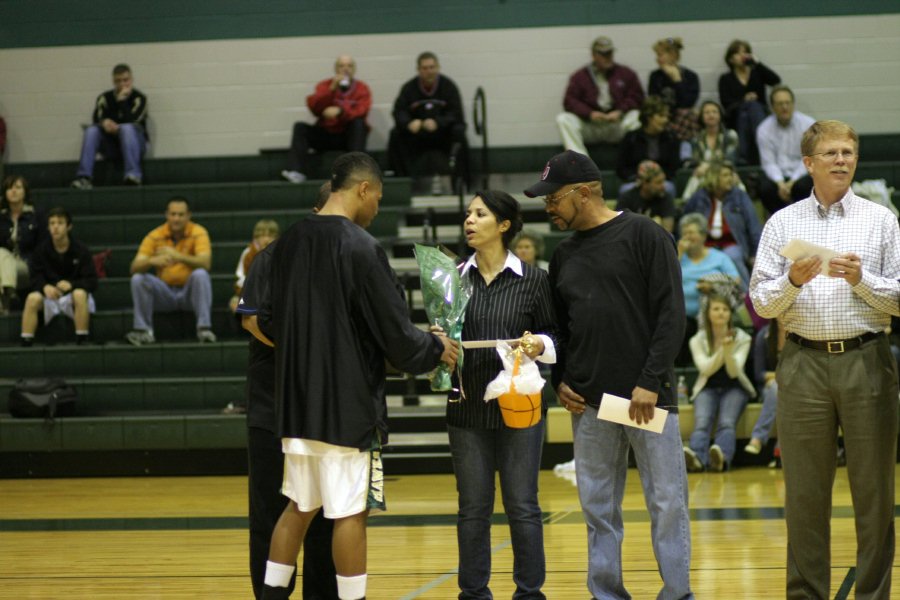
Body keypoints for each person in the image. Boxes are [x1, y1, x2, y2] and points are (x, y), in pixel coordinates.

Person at [261, 152, 459, 600]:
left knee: (298, 506)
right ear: (364, 189)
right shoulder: (361, 247)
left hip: (295, 404)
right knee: (351, 513)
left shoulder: (288, 241)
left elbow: (269, 321)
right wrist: (435, 346)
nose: (377, 209)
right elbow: (397, 337)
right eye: (379, 198)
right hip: (346, 408)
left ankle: (271, 596)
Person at [524, 150, 692, 599]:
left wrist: (650, 381)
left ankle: (677, 594)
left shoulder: (645, 235)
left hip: (647, 400)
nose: (548, 208)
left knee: (667, 504)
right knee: (597, 508)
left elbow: (671, 317)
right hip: (590, 405)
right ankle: (606, 594)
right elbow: (558, 329)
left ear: (583, 192)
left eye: (553, 198)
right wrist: (559, 379)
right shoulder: (563, 256)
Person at [750, 120, 900, 599]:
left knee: (874, 494)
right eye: (831, 153)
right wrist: (791, 280)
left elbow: (897, 300)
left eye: (848, 152)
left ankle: (873, 595)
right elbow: (760, 304)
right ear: (808, 162)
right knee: (804, 495)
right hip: (802, 363)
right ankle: (806, 594)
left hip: (867, 359)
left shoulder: (881, 220)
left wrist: (862, 281)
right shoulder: (782, 223)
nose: (841, 160)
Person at [445, 190, 557, 599]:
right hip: (466, 408)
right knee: (472, 508)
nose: (469, 221)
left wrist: (538, 345)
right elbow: (441, 337)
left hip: (520, 408)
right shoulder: (453, 278)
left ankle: (530, 592)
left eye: (480, 214)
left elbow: (554, 336)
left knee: (522, 505)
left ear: (504, 225)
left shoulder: (534, 279)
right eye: (468, 215)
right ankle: (473, 593)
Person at [237, 183, 338, 600]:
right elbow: (250, 320)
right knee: (270, 509)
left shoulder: (348, 256)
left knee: (326, 511)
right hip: (273, 404)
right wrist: (302, 351)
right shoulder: (274, 255)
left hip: (326, 407)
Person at [126, 197, 215, 346]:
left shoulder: (198, 232)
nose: (176, 219)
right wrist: (150, 261)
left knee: (201, 274)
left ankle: (204, 329)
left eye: (180, 215)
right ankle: (143, 331)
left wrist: (177, 256)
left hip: (189, 293)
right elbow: (134, 267)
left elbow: (206, 263)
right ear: (166, 215)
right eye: (173, 214)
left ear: (188, 215)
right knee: (138, 279)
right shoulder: (155, 235)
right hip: (164, 293)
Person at [683, 295, 755, 473]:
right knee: (702, 422)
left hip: (735, 387)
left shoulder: (742, 338)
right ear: (708, 314)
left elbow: (733, 371)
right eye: (716, 309)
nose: (721, 313)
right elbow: (706, 370)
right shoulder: (697, 339)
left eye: (725, 309)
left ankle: (721, 458)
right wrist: (723, 349)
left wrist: (728, 350)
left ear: (730, 314)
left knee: (727, 422)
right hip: (707, 387)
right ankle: (697, 458)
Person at [281, 55, 372, 184]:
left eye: (349, 66)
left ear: (354, 69)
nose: (345, 69)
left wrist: (341, 112)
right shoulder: (325, 85)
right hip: (326, 133)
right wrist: (331, 89)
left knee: (359, 124)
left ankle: (356, 173)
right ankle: (295, 171)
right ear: (336, 69)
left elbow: (362, 110)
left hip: (347, 136)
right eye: (341, 66)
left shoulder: (362, 88)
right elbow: (314, 107)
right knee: (300, 127)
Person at [388, 52, 467, 190]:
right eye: (425, 68)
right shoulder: (409, 88)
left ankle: (461, 183)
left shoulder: (448, 86)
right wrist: (409, 123)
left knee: (460, 133)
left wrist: (438, 122)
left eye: (432, 67)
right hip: (418, 135)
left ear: (438, 68)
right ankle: (404, 183)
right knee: (395, 135)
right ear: (418, 70)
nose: (429, 71)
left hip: (442, 134)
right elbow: (398, 111)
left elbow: (456, 113)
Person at [20, 207, 97, 346]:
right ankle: (26, 340)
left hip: (72, 297)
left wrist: (72, 285)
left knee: (80, 294)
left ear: (69, 226)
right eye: (52, 223)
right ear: (48, 227)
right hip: (50, 297)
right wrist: (44, 287)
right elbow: (34, 278)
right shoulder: (41, 250)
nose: (55, 227)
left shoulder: (81, 250)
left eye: (60, 223)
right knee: (32, 298)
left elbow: (92, 281)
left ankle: (82, 338)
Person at [556, 36, 644, 154]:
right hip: (592, 125)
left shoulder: (626, 73)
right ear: (593, 55)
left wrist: (620, 111)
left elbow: (637, 97)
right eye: (603, 54)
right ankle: (581, 164)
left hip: (616, 124)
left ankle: (633, 159)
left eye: (610, 53)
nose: (607, 57)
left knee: (637, 116)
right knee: (563, 119)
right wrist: (589, 113)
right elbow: (569, 101)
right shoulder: (580, 76)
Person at [71, 64, 148, 189]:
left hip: (135, 144)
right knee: (91, 131)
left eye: (125, 80)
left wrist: (122, 101)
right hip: (111, 145)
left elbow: (133, 120)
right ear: (113, 81)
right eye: (118, 81)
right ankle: (84, 177)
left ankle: (133, 175)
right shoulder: (104, 98)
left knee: (127, 128)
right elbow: (97, 118)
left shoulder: (140, 98)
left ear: (131, 80)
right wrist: (104, 123)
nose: (122, 84)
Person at [684, 160, 762, 285]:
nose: (730, 179)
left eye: (731, 175)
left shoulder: (740, 196)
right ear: (713, 177)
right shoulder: (699, 197)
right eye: (725, 175)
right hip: (705, 244)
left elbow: (753, 226)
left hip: (731, 243)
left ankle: (745, 297)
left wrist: (755, 254)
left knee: (733, 257)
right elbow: (686, 220)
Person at [717, 40, 781, 165]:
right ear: (730, 59)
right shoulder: (725, 79)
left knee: (753, 107)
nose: (743, 55)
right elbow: (726, 103)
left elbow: (775, 80)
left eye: (745, 52)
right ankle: (763, 149)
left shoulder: (757, 73)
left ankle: (743, 157)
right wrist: (743, 101)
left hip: (760, 113)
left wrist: (757, 63)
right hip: (736, 117)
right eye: (738, 53)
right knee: (746, 111)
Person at [756, 85, 815, 215]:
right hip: (778, 176)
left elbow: (808, 158)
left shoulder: (808, 124)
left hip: (801, 174)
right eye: (780, 104)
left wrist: (792, 182)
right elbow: (768, 163)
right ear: (772, 107)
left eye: (788, 103)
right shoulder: (764, 129)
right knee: (765, 189)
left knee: (804, 186)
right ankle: (779, 222)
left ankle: (804, 221)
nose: (784, 107)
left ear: (793, 104)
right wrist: (781, 183)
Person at [616, 96, 681, 195]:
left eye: (667, 116)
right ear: (649, 117)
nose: (665, 120)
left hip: (662, 182)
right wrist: (638, 178)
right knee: (625, 190)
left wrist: (657, 179)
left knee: (669, 188)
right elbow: (621, 167)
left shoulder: (671, 138)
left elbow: (674, 167)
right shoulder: (631, 138)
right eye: (661, 116)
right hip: (636, 181)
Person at [0, 175, 44, 315]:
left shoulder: (35, 216)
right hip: (3, 264)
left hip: (26, 265)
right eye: (9, 188)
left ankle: (7, 297)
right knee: (1, 254)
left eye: (18, 187)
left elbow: (42, 246)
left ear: (25, 191)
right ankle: (9, 295)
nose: (13, 191)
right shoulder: (1, 217)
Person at [681, 100, 740, 202]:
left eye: (714, 112)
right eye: (707, 112)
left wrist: (708, 166)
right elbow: (690, 162)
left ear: (720, 115)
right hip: (703, 176)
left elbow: (730, 160)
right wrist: (701, 167)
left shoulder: (730, 135)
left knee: (737, 182)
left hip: (726, 173)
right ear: (701, 117)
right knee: (694, 180)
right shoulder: (696, 139)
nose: (711, 115)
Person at [744, 319, 784, 459]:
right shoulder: (763, 335)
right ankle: (780, 449)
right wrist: (780, 377)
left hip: (796, 386)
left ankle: (758, 439)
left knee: (781, 391)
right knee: (777, 389)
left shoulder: (799, 333)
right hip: (768, 387)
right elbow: (759, 373)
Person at [648, 37, 700, 142]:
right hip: (662, 115)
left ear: (673, 56)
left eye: (660, 55)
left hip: (682, 118)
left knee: (687, 114)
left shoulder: (690, 76)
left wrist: (677, 81)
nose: (657, 59)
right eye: (657, 55)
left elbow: (688, 103)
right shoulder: (655, 76)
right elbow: (653, 101)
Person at [229, 219, 280, 315]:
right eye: (263, 236)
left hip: (273, 294)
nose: (267, 239)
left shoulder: (281, 253)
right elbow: (240, 279)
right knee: (235, 302)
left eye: (270, 236)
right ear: (256, 238)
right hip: (250, 293)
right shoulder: (248, 253)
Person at [615, 159, 677, 233]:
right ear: (645, 183)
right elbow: (618, 228)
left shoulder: (665, 197)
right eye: (658, 182)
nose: (663, 186)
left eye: (663, 181)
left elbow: (668, 232)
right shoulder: (627, 198)